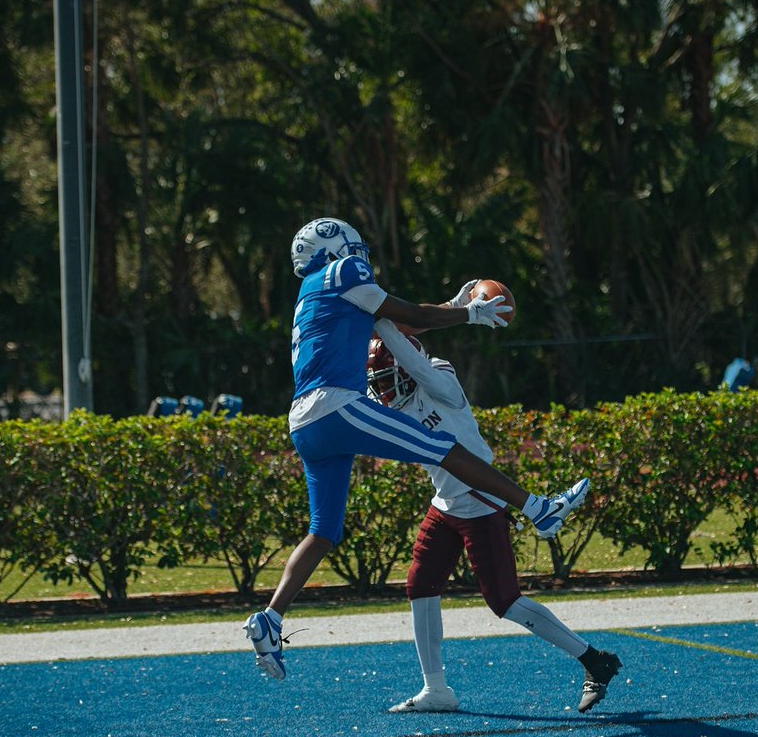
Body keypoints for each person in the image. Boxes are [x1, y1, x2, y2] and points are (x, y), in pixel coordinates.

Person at [244, 218, 590, 681]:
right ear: (334, 247)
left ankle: (270, 618)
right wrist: (468, 312)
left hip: (303, 422)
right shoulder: (343, 273)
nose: (359, 254)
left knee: (323, 531)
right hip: (335, 405)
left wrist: (454, 305)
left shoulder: (310, 292)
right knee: (442, 448)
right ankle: (539, 508)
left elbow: (394, 321)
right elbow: (409, 318)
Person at [368, 313, 622, 714]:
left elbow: (415, 361)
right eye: (377, 381)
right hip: (444, 502)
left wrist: (379, 316)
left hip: (478, 498)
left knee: (504, 601)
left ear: (405, 366)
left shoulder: (438, 379)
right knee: (420, 585)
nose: (382, 388)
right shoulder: (399, 403)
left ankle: (595, 660)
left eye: (385, 378)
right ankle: (436, 689)